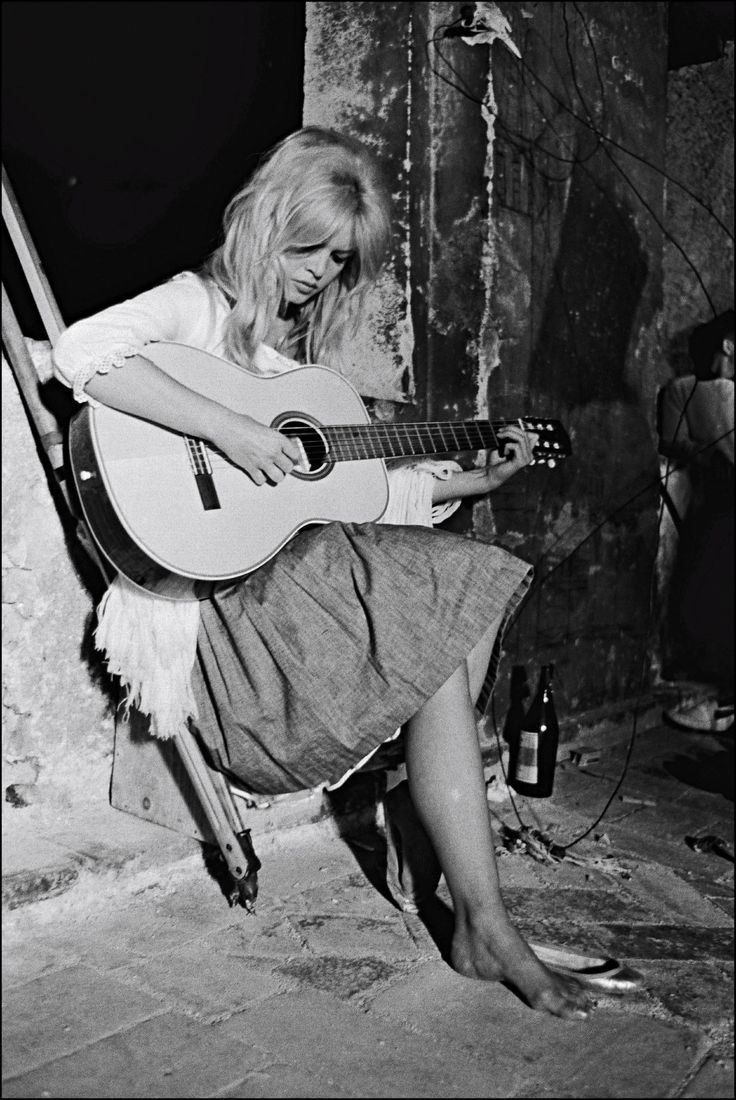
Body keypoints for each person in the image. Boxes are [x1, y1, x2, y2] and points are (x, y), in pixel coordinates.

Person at [53, 126, 590, 1019]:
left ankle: (473, 902)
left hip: (287, 583)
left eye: (338, 261)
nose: (317, 274)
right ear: (266, 222)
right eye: (307, 248)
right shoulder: (196, 308)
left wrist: (473, 480)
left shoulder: (293, 372)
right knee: (439, 613)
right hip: (224, 610)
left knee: (454, 591)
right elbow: (81, 353)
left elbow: (360, 494)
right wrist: (229, 429)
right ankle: (477, 914)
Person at [659, 309, 734, 732]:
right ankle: (721, 703)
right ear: (728, 344)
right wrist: (708, 455)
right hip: (719, 507)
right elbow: (673, 441)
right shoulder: (687, 389)